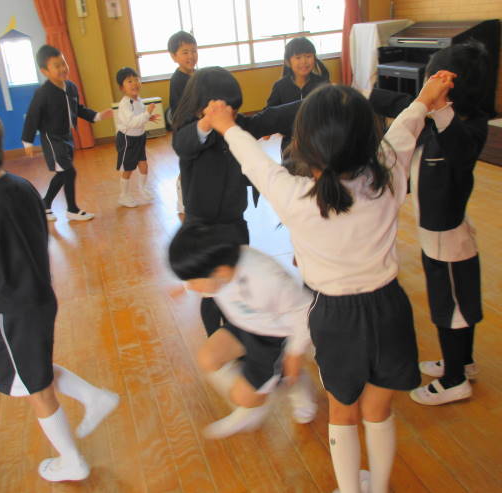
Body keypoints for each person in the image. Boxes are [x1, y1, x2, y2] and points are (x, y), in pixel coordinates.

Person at [201, 75, 454, 493]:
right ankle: (380, 487)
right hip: (389, 309)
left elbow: (255, 162)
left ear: (302, 146)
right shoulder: (389, 174)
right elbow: (404, 129)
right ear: (369, 141)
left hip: (335, 318)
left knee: (343, 412)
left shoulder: (295, 196)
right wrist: (425, 98)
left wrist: (226, 124)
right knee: (379, 409)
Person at [0, 96, 119, 483]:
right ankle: (93, 397)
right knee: (33, 371)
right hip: (39, 299)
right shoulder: (23, 186)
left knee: (34, 387)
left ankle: (71, 460)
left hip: (9, 314)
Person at [367, 41, 489, 406]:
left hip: (447, 238)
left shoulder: (467, 127)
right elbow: (402, 105)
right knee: (456, 306)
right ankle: (462, 363)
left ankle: (454, 380)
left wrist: (440, 106)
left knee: (449, 310)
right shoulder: (435, 121)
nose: (427, 87)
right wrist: (363, 91)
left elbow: (461, 149)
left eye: (435, 79)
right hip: (435, 235)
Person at [172, 66, 300, 337]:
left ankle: (238, 332)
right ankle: (214, 337)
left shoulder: (237, 125)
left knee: (237, 279)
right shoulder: (189, 129)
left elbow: (271, 118)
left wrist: (317, 100)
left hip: (234, 221)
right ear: (202, 105)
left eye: (233, 108)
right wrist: (207, 122)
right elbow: (183, 144)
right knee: (211, 291)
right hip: (201, 225)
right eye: (223, 108)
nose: (229, 114)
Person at [168, 222, 318, 438]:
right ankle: (260, 397)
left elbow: (305, 311)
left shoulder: (266, 278)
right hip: (246, 323)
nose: (192, 286)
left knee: (243, 396)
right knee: (208, 358)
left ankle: (289, 384)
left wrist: (294, 354)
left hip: (275, 337)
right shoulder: (220, 265)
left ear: (220, 272)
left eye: (193, 281)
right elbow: (207, 278)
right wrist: (184, 287)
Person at [22, 44, 113, 222]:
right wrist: (28, 140)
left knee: (62, 173)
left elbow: (77, 108)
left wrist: (97, 116)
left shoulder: (71, 87)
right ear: (45, 71)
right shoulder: (43, 93)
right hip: (52, 139)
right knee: (69, 172)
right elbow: (33, 116)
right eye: (57, 66)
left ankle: (45, 204)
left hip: (66, 136)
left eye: (64, 63)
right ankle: (72, 209)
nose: (63, 68)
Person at [266, 37, 330, 152]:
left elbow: (331, 113)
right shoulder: (280, 86)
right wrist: (267, 129)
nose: (304, 61)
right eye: (298, 57)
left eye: (308, 56)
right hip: (290, 142)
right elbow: (270, 112)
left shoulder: (323, 84)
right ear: (288, 62)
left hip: (319, 141)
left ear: (314, 58)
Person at [114, 67, 160, 207]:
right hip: (127, 139)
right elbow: (132, 122)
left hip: (139, 137)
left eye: (136, 80)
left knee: (144, 165)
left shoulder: (138, 100)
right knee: (128, 169)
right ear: (122, 87)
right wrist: (147, 114)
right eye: (129, 81)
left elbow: (140, 116)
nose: (134, 83)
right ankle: (123, 196)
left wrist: (148, 117)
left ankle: (143, 188)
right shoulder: (125, 104)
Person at [167, 31, 198, 220]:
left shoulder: (197, 75)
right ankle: (182, 202)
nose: (191, 56)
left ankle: (194, 199)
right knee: (187, 167)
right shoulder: (178, 80)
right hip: (185, 133)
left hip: (198, 129)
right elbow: (181, 110)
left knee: (196, 166)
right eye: (185, 52)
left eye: (193, 51)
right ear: (174, 57)